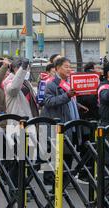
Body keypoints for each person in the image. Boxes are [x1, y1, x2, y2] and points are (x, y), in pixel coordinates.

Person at [41, 57, 81, 185]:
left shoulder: (69, 82)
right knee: (54, 156)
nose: (69, 69)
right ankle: (51, 185)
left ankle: (64, 183)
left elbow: (69, 102)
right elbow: (48, 101)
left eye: (70, 66)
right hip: (57, 126)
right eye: (66, 66)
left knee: (68, 154)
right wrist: (67, 96)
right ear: (57, 68)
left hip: (71, 124)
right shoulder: (51, 84)